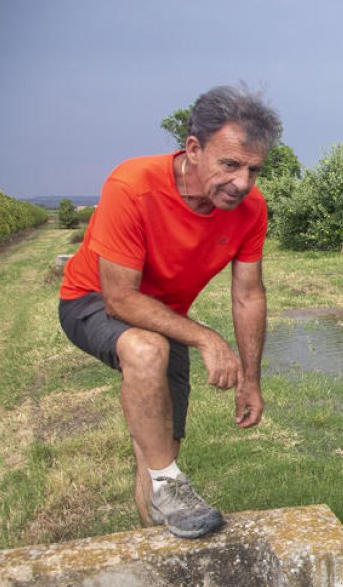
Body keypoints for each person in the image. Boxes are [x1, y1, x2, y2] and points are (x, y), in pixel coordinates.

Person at [58, 85, 281, 538]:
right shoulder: (132, 185)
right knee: (146, 350)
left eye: (253, 170)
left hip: (163, 314)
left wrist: (251, 380)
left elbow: (249, 295)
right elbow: (120, 299)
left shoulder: (251, 210)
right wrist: (206, 338)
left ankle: (158, 536)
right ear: (194, 149)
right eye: (230, 165)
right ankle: (168, 485)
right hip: (91, 299)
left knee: (159, 445)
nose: (242, 183)